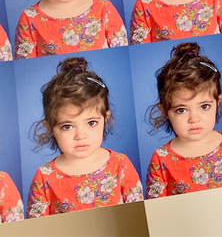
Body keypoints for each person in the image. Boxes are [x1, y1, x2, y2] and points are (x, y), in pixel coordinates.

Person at [27, 57, 143, 217]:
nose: (80, 136)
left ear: (105, 119)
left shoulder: (120, 165)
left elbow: (137, 217)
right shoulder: (44, 177)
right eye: (67, 126)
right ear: (51, 128)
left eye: (91, 123)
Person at [145, 41, 222, 197]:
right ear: (165, 111)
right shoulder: (161, 159)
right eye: (181, 110)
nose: (194, 119)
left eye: (204, 107)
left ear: (218, 102)